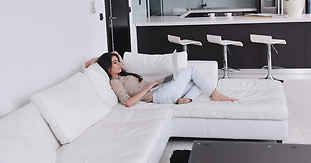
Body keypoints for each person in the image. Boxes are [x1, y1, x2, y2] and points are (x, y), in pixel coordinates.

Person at [85, 52, 237, 107]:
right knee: (192, 70)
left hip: (160, 90)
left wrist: (96, 59)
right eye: (114, 63)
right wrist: (147, 87)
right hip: (157, 95)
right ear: (108, 68)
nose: (118, 64)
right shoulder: (115, 82)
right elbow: (128, 102)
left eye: (117, 61)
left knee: (199, 81)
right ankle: (215, 94)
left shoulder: (121, 72)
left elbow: (115, 53)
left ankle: (185, 99)